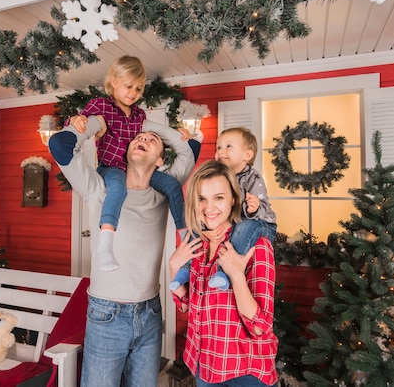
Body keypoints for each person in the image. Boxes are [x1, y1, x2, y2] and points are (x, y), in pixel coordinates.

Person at [48, 115, 195, 387]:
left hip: (150, 312)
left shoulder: (163, 193)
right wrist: (93, 125)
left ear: (160, 161)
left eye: (151, 140)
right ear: (125, 152)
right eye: (138, 138)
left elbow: (192, 147)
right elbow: (59, 145)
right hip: (107, 315)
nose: (143, 139)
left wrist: (145, 126)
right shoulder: (98, 187)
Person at [68, 55, 199, 271]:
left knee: (173, 185)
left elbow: (159, 135)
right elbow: (80, 121)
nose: (134, 93)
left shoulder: (139, 114)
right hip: (112, 169)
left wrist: (181, 134)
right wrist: (75, 120)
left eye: (138, 89)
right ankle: (106, 244)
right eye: (129, 87)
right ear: (113, 81)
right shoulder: (102, 106)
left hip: (135, 169)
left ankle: (187, 239)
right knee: (117, 190)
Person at [169, 160, 279, 387]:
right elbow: (188, 306)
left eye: (218, 197)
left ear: (234, 200)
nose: (209, 208)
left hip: (245, 374)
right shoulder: (196, 245)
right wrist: (174, 269)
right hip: (204, 367)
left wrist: (236, 276)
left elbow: (259, 327)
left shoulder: (255, 246)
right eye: (202, 199)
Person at [169, 127, 277, 290]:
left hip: (258, 223)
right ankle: (184, 271)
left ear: (247, 155)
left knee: (243, 226)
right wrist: (204, 231)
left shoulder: (253, 178)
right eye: (218, 147)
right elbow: (185, 304)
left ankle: (223, 272)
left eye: (228, 146)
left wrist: (253, 208)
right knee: (196, 231)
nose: (220, 151)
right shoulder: (221, 178)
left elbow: (262, 207)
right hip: (236, 222)